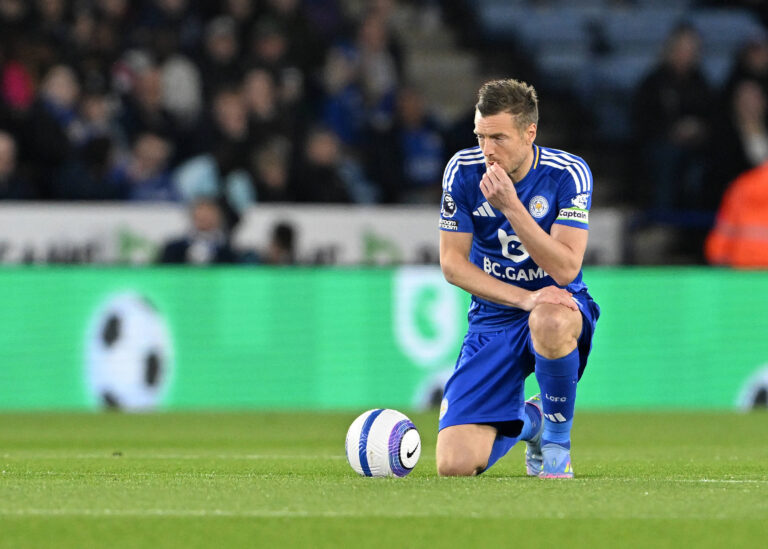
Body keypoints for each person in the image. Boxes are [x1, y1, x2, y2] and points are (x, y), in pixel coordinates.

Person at [437, 78, 600, 479]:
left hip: (558, 305)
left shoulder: (568, 174)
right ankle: (534, 422)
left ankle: (557, 447)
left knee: (549, 316)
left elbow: (564, 269)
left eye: (498, 138)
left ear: (530, 133)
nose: (487, 150)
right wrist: (523, 298)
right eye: (479, 136)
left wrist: (512, 207)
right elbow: (452, 265)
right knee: (454, 466)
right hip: (494, 315)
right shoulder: (462, 171)